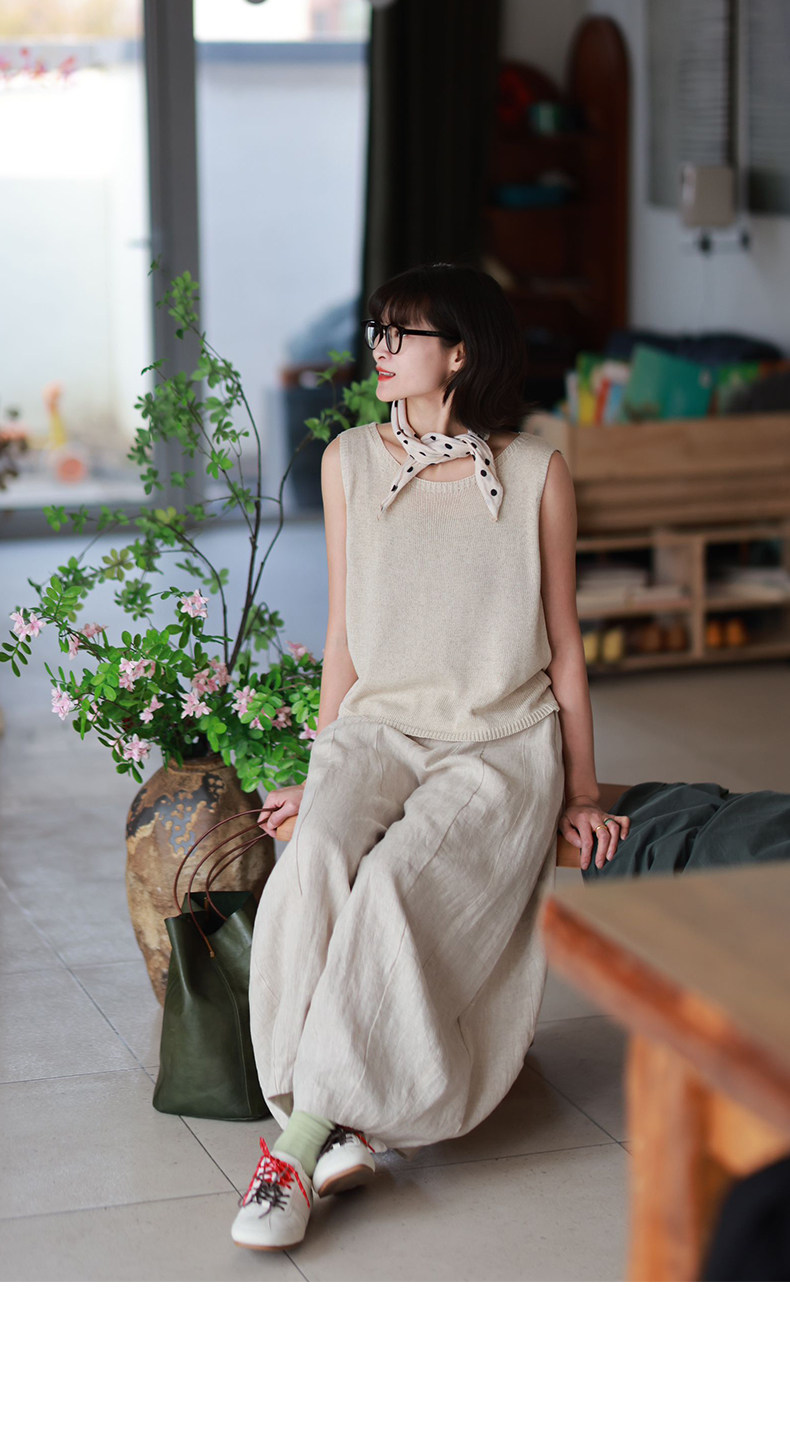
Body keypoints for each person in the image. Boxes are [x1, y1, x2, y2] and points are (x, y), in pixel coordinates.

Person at [231, 261, 630, 1252]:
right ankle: (332, 1118)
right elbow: (343, 635)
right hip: (377, 727)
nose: (378, 350)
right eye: (376, 331)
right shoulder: (348, 462)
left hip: (498, 740)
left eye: (398, 335)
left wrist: (581, 790)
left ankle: (298, 1150)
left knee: (395, 884)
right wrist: (324, 770)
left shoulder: (536, 473)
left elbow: (565, 646)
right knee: (317, 855)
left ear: (457, 353)